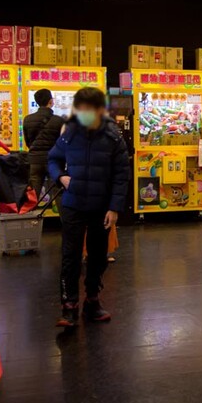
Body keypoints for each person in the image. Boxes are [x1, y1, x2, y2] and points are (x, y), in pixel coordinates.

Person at [48, 87, 129, 327]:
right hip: (73, 204)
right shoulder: (69, 134)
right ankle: (69, 306)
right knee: (70, 256)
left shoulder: (113, 137)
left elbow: (121, 175)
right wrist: (61, 177)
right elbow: (53, 159)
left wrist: (114, 208)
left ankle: (92, 301)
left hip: (101, 207)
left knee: (98, 256)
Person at [22, 88, 64, 196]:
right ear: (50, 101)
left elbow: (28, 142)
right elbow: (62, 143)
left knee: (33, 192)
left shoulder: (27, 119)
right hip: (53, 160)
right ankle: (57, 206)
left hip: (34, 160)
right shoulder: (58, 120)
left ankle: (33, 207)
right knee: (56, 190)